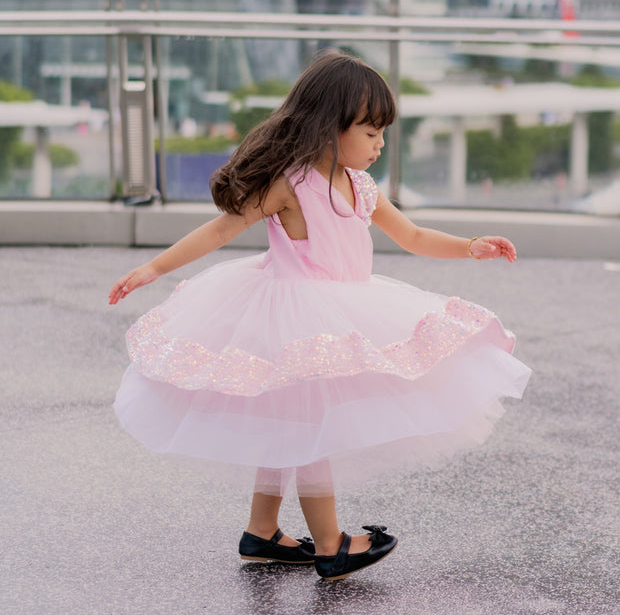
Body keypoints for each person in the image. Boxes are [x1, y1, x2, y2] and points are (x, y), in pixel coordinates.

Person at [109, 51, 530, 582]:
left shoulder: (363, 187)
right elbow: (220, 230)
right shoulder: (292, 183)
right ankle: (331, 544)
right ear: (331, 128)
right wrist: (153, 267)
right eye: (371, 132)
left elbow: (415, 237)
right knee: (310, 423)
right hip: (291, 313)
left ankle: (262, 532)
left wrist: (473, 246)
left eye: (383, 135)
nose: (379, 145)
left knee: (291, 419)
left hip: (345, 308)